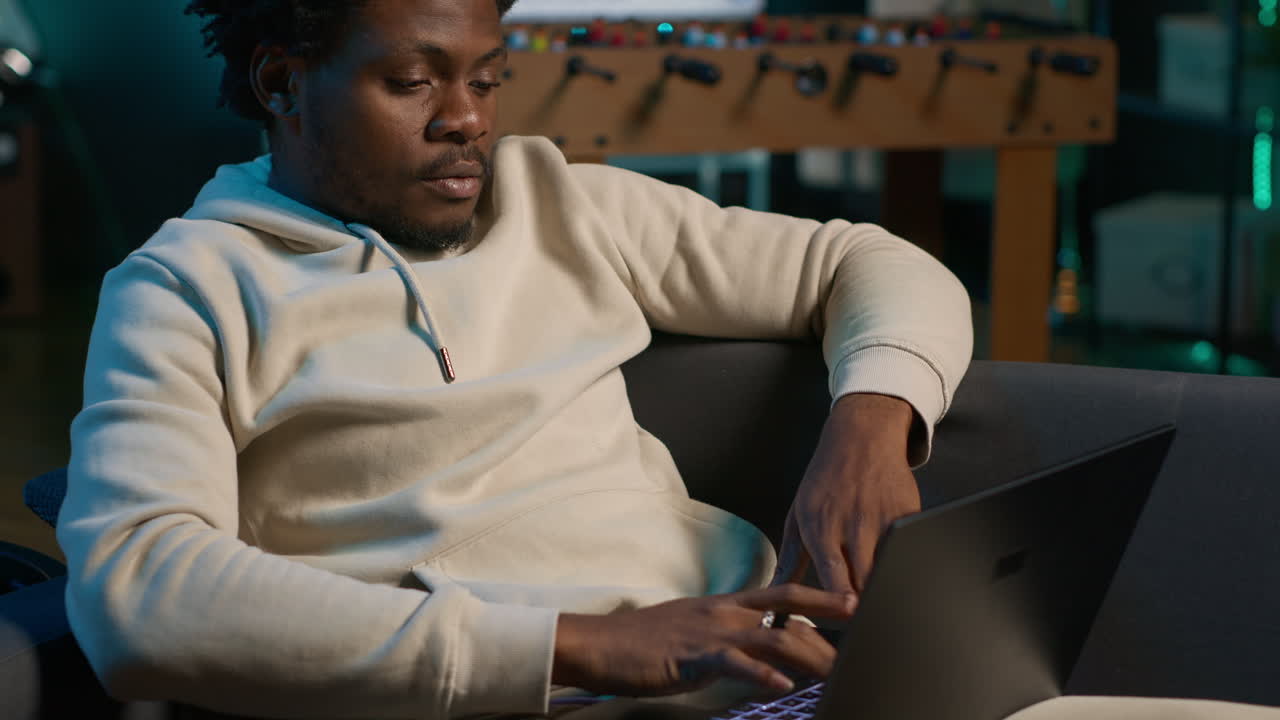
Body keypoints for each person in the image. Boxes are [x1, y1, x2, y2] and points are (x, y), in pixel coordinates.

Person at [57, 0, 974, 718]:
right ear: (282, 81)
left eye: (488, 81)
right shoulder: (183, 287)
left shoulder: (561, 202)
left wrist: (868, 429)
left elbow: (867, 262)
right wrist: (573, 648)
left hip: (766, 674)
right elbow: (139, 593)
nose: (466, 121)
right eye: (414, 81)